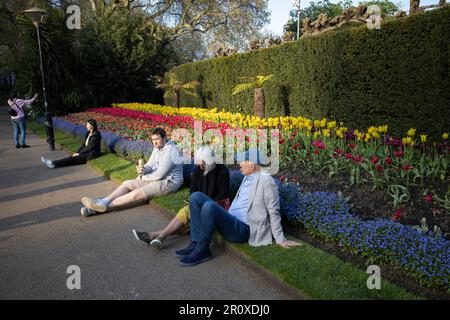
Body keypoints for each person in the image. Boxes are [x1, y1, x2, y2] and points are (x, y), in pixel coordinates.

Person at [176, 149, 302, 267]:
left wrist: (280, 239)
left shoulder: (267, 182)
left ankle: (202, 250)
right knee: (196, 197)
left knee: (209, 206)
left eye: (242, 162)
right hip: (231, 220)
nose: (239, 164)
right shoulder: (249, 176)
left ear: (252, 165)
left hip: (243, 229)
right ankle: (195, 242)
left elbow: (274, 211)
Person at [132, 145, 230, 249]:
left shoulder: (222, 171)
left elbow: (222, 196)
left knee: (186, 212)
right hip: (200, 205)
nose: (200, 167)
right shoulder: (198, 170)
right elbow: (193, 190)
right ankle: (155, 236)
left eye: (203, 164)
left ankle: (159, 236)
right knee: (185, 220)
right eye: (199, 164)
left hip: (216, 207)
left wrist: (203, 206)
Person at [80, 127, 183, 217]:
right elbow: (150, 164)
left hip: (169, 182)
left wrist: (143, 177)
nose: (154, 142)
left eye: (157, 139)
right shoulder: (158, 147)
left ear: (165, 138)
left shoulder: (171, 151)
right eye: (152, 140)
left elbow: (160, 174)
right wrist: (144, 169)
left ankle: (97, 208)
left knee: (136, 194)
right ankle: (104, 201)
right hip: (157, 178)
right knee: (127, 183)